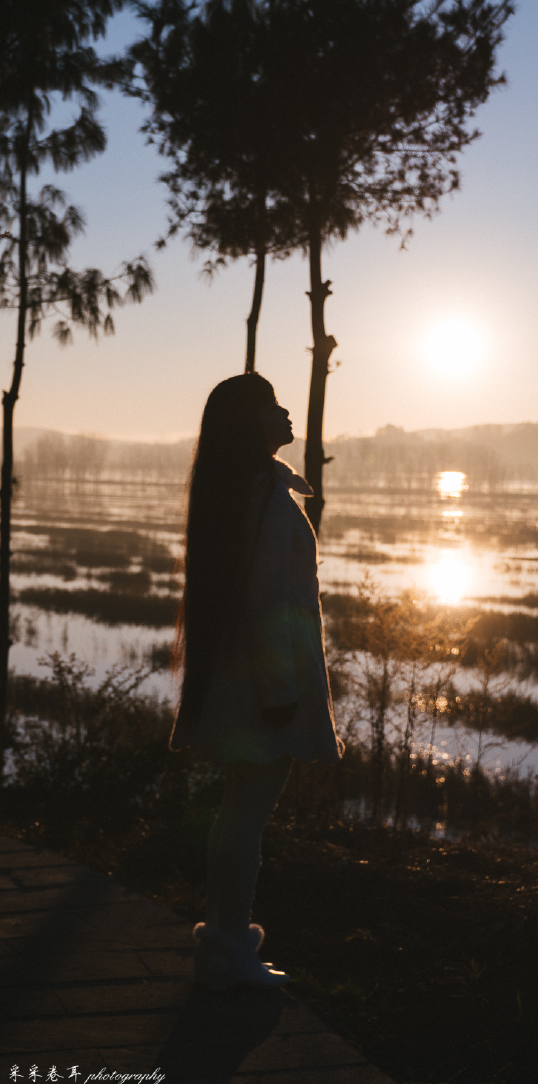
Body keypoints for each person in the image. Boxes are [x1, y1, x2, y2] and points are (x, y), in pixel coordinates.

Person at [169, 373, 344, 990]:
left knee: (236, 813)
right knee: (247, 816)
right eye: (271, 405)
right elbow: (270, 601)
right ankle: (229, 952)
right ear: (251, 424)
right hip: (263, 691)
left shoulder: (246, 490)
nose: (286, 412)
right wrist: (280, 697)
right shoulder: (265, 498)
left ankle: (224, 942)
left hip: (242, 683)